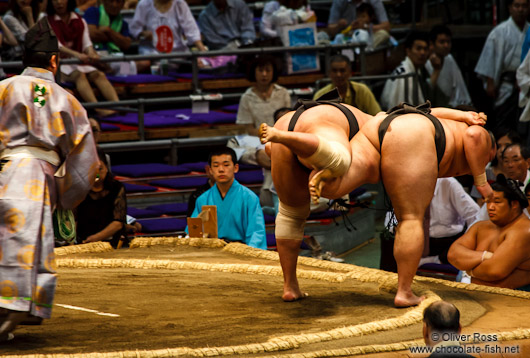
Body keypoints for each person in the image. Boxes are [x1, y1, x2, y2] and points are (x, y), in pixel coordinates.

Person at [259, 101, 491, 306]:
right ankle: (404, 292)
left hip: (300, 122)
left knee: (292, 213)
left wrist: (461, 115)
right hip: (337, 123)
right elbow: (474, 137)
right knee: (409, 217)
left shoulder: (411, 117)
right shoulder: (476, 132)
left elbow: (425, 110)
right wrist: (482, 183)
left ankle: (290, 287)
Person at [0, 17, 98, 341]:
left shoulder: (4, 88)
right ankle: (16, 310)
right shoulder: (67, 100)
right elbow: (86, 162)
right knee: (27, 243)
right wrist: (66, 197)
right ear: (55, 61)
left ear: (24, 59)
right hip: (37, 180)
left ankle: (14, 312)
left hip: (2, 171)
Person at [448, 175, 530, 290]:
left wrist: (468, 269)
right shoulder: (480, 227)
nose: (490, 207)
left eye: (497, 202)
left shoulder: (525, 231)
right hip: (478, 296)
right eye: (488, 201)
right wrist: (484, 256)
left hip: (514, 300)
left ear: (514, 204)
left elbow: (494, 271)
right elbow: (453, 255)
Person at [46, 0, 120, 117]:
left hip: (79, 62)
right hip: (60, 64)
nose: (59, 3)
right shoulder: (47, 21)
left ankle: (118, 105)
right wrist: (77, 55)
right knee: (79, 75)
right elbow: (57, 46)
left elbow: (87, 44)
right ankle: (97, 109)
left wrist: (91, 53)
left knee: (98, 74)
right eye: (55, 0)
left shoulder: (80, 21)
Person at [188, 147, 267, 250]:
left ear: (235, 168)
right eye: (216, 166)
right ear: (210, 170)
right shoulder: (202, 199)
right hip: (211, 253)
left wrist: (249, 254)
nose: (221, 170)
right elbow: (195, 232)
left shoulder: (249, 198)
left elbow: (256, 233)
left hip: (241, 252)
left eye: (226, 165)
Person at [475, 0, 529, 132]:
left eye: (524, 6)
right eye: (517, 5)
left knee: (523, 124)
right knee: (504, 124)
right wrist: (490, 81)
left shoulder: (529, 30)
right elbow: (489, 57)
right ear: (510, 8)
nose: (520, 9)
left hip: (526, 82)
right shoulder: (499, 31)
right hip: (506, 84)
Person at [419, 177, 482, 266]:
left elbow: (473, 213)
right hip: (419, 241)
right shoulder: (410, 183)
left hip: (448, 243)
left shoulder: (448, 183)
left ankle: (435, 260)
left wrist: (469, 240)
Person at [380, 31, 448, 110]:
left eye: (425, 49)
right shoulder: (406, 74)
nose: (422, 53)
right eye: (418, 49)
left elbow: (427, 89)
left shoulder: (414, 69)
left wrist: (437, 70)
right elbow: (399, 109)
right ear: (408, 51)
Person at [75, 148, 127, 248]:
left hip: (114, 242)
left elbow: (118, 222)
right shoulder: (79, 188)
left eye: (100, 168)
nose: (97, 173)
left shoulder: (117, 187)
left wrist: (96, 238)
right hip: (84, 242)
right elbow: (74, 220)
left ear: (106, 168)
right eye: (92, 169)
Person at [83, 0, 150, 75]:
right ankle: (117, 74)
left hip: (115, 58)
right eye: (111, 1)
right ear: (104, 2)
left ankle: (119, 76)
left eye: (118, 2)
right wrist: (116, 38)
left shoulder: (123, 23)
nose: (114, 5)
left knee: (144, 63)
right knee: (98, 63)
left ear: (123, 4)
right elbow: (91, 34)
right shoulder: (93, 11)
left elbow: (126, 44)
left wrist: (109, 31)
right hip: (96, 57)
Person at [236, 55, 291, 137]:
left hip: (280, 137)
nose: (264, 74)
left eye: (268, 70)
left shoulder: (283, 93)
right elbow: (249, 130)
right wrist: (267, 135)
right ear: (254, 72)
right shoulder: (247, 97)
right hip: (257, 138)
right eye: (260, 70)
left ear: (273, 72)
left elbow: (288, 122)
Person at [129, 0, 207, 57]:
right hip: (151, 52)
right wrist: (143, 33)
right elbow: (134, 29)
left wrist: (203, 51)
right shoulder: (144, 4)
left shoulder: (180, 4)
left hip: (177, 53)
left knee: (198, 62)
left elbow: (192, 31)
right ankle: (122, 71)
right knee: (142, 64)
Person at [313, 54, 381, 115]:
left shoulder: (362, 91)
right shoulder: (321, 95)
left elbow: (377, 115)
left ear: (350, 73)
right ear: (329, 73)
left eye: (342, 71)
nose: (338, 75)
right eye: (334, 71)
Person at [426, 25, 472, 109]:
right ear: (432, 44)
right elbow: (426, 92)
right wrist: (436, 70)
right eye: (442, 42)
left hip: (451, 106)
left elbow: (460, 87)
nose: (446, 45)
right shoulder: (425, 63)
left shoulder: (449, 59)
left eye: (448, 42)